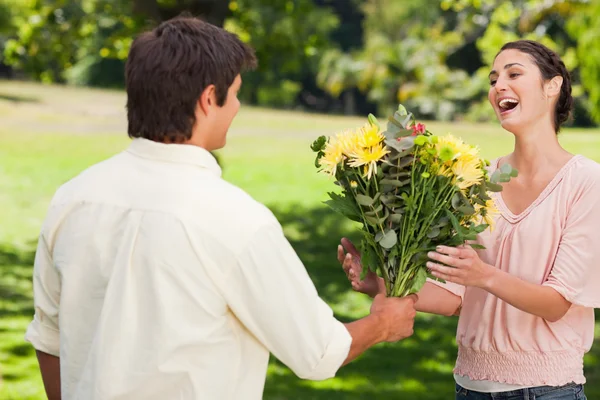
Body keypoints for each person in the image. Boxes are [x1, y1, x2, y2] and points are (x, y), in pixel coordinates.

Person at [25, 16, 418, 400]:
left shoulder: (73, 198)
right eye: (235, 93)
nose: (238, 106)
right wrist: (383, 323)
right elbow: (317, 353)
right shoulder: (236, 220)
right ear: (208, 98)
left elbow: (49, 338)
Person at [340, 39, 599, 400]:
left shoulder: (586, 182)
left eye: (514, 74)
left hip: (548, 392)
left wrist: (485, 276)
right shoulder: (476, 179)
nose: (499, 87)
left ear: (552, 85)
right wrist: (379, 283)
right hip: (470, 388)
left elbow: (557, 303)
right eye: (493, 80)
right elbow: (454, 296)